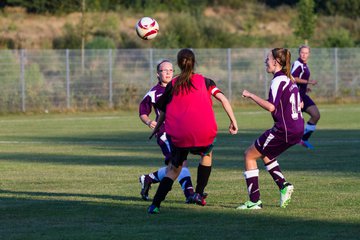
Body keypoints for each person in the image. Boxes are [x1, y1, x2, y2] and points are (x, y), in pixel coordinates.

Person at [147, 48, 238, 214]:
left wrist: (157, 129)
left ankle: (155, 205)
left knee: (174, 169)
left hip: (179, 133)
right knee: (207, 155)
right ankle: (198, 193)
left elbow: (164, 112)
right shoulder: (205, 81)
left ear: (178, 64)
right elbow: (223, 99)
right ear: (193, 62)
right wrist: (233, 121)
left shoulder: (173, 84)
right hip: (204, 131)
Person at [237, 48, 304, 210]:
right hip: (297, 127)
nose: (265, 61)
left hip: (285, 129)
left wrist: (251, 95)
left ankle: (254, 201)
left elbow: (271, 106)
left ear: (276, 61)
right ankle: (283, 185)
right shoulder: (289, 80)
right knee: (265, 153)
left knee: (249, 155)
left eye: (267, 58)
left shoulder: (278, 80)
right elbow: (300, 104)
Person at [139, 59, 195, 203]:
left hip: (181, 131)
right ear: (158, 74)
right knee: (180, 163)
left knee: (174, 166)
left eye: (171, 70)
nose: (168, 73)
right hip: (164, 133)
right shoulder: (154, 92)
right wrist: (149, 122)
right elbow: (143, 112)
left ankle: (148, 178)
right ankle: (190, 194)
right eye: (165, 70)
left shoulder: (179, 86)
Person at [291, 45, 320, 149]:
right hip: (296, 97)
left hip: (303, 95)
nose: (304, 54)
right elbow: (293, 78)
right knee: (291, 123)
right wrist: (308, 82)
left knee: (316, 115)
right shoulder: (297, 64)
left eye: (306, 53)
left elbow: (300, 80)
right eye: (302, 52)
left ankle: (304, 139)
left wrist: (305, 87)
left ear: (309, 54)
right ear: (299, 53)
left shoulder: (304, 65)